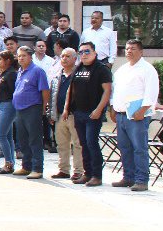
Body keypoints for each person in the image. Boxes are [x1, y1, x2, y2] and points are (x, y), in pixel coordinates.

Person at [109, 39, 159, 191]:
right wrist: (113, 108)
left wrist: (142, 111)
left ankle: (141, 180)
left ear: (141, 52)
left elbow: (151, 93)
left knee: (139, 148)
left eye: (133, 49)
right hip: (121, 114)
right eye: (127, 49)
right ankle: (128, 177)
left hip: (137, 115)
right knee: (124, 147)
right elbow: (115, 90)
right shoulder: (122, 69)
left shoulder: (147, 69)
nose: (129, 51)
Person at [66, 41, 113, 187]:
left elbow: (107, 91)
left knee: (91, 143)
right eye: (81, 52)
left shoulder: (102, 69)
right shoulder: (78, 68)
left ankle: (97, 176)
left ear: (95, 53)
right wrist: (67, 108)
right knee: (83, 144)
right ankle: (87, 173)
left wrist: (99, 110)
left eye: (87, 51)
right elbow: (71, 88)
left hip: (93, 113)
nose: (84, 54)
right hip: (79, 112)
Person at [12, 47, 50, 179]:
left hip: (32, 108)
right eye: (19, 56)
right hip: (19, 109)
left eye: (24, 55)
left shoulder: (37, 71)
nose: (21, 58)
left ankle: (37, 168)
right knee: (23, 139)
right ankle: (26, 166)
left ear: (30, 57)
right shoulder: (20, 71)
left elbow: (45, 90)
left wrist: (43, 108)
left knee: (34, 139)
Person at [47, 48, 82, 180]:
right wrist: (51, 113)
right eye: (62, 56)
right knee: (62, 144)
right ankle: (64, 170)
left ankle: (78, 171)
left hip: (74, 114)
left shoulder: (79, 75)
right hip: (59, 115)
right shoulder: (57, 76)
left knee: (77, 144)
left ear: (75, 59)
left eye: (68, 56)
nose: (64, 59)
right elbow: (52, 95)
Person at [0, 51, 19, 173]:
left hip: (7, 105)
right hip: (0, 105)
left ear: (7, 61)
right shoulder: (4, 73)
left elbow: (14, 92)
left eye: (0, 59)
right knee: (7, 136)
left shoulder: (11, 74)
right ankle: (10, 162)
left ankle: (8, 163)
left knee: (0, 135)